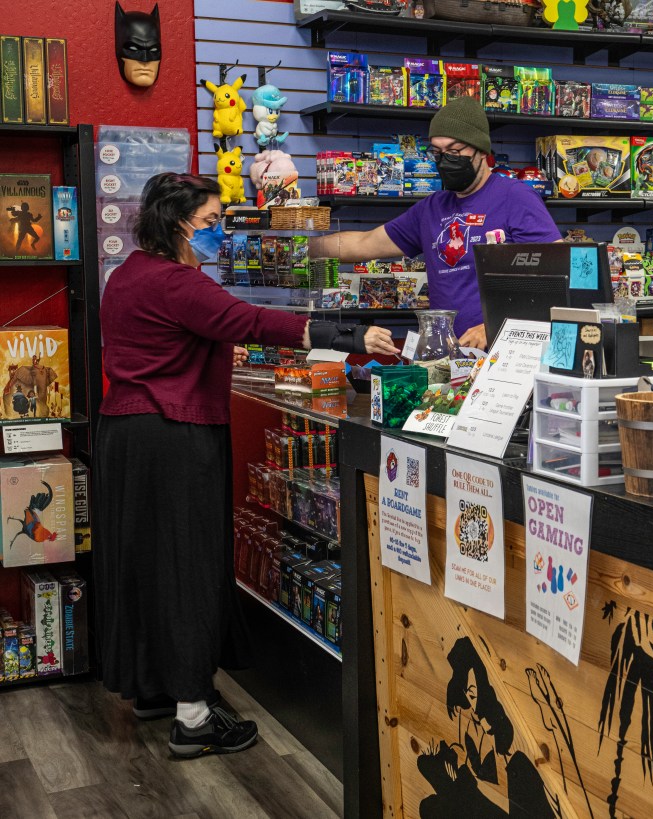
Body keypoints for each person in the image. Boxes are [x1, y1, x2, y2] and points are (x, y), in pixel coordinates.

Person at [94, 172, 398, 760]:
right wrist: (351, 334)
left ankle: (155, 687)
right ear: (179, 224)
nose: (216, 235)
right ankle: (193, 717)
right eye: (209, 223)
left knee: (145, 563)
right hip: (175, 434)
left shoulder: (127, 274)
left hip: (126, 435)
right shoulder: (179, 284)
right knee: (188, 564)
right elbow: (252, 321)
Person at [310, 97, 563, 351]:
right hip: (449, 358)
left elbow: (558, 278)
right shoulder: (431, 209)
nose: (445, 160)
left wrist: (494, 325)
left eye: (454, 151)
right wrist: (296, 248)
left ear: (482, 151)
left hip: (507, 355)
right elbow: (364, 244)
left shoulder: (514, 196)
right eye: (437, 152)